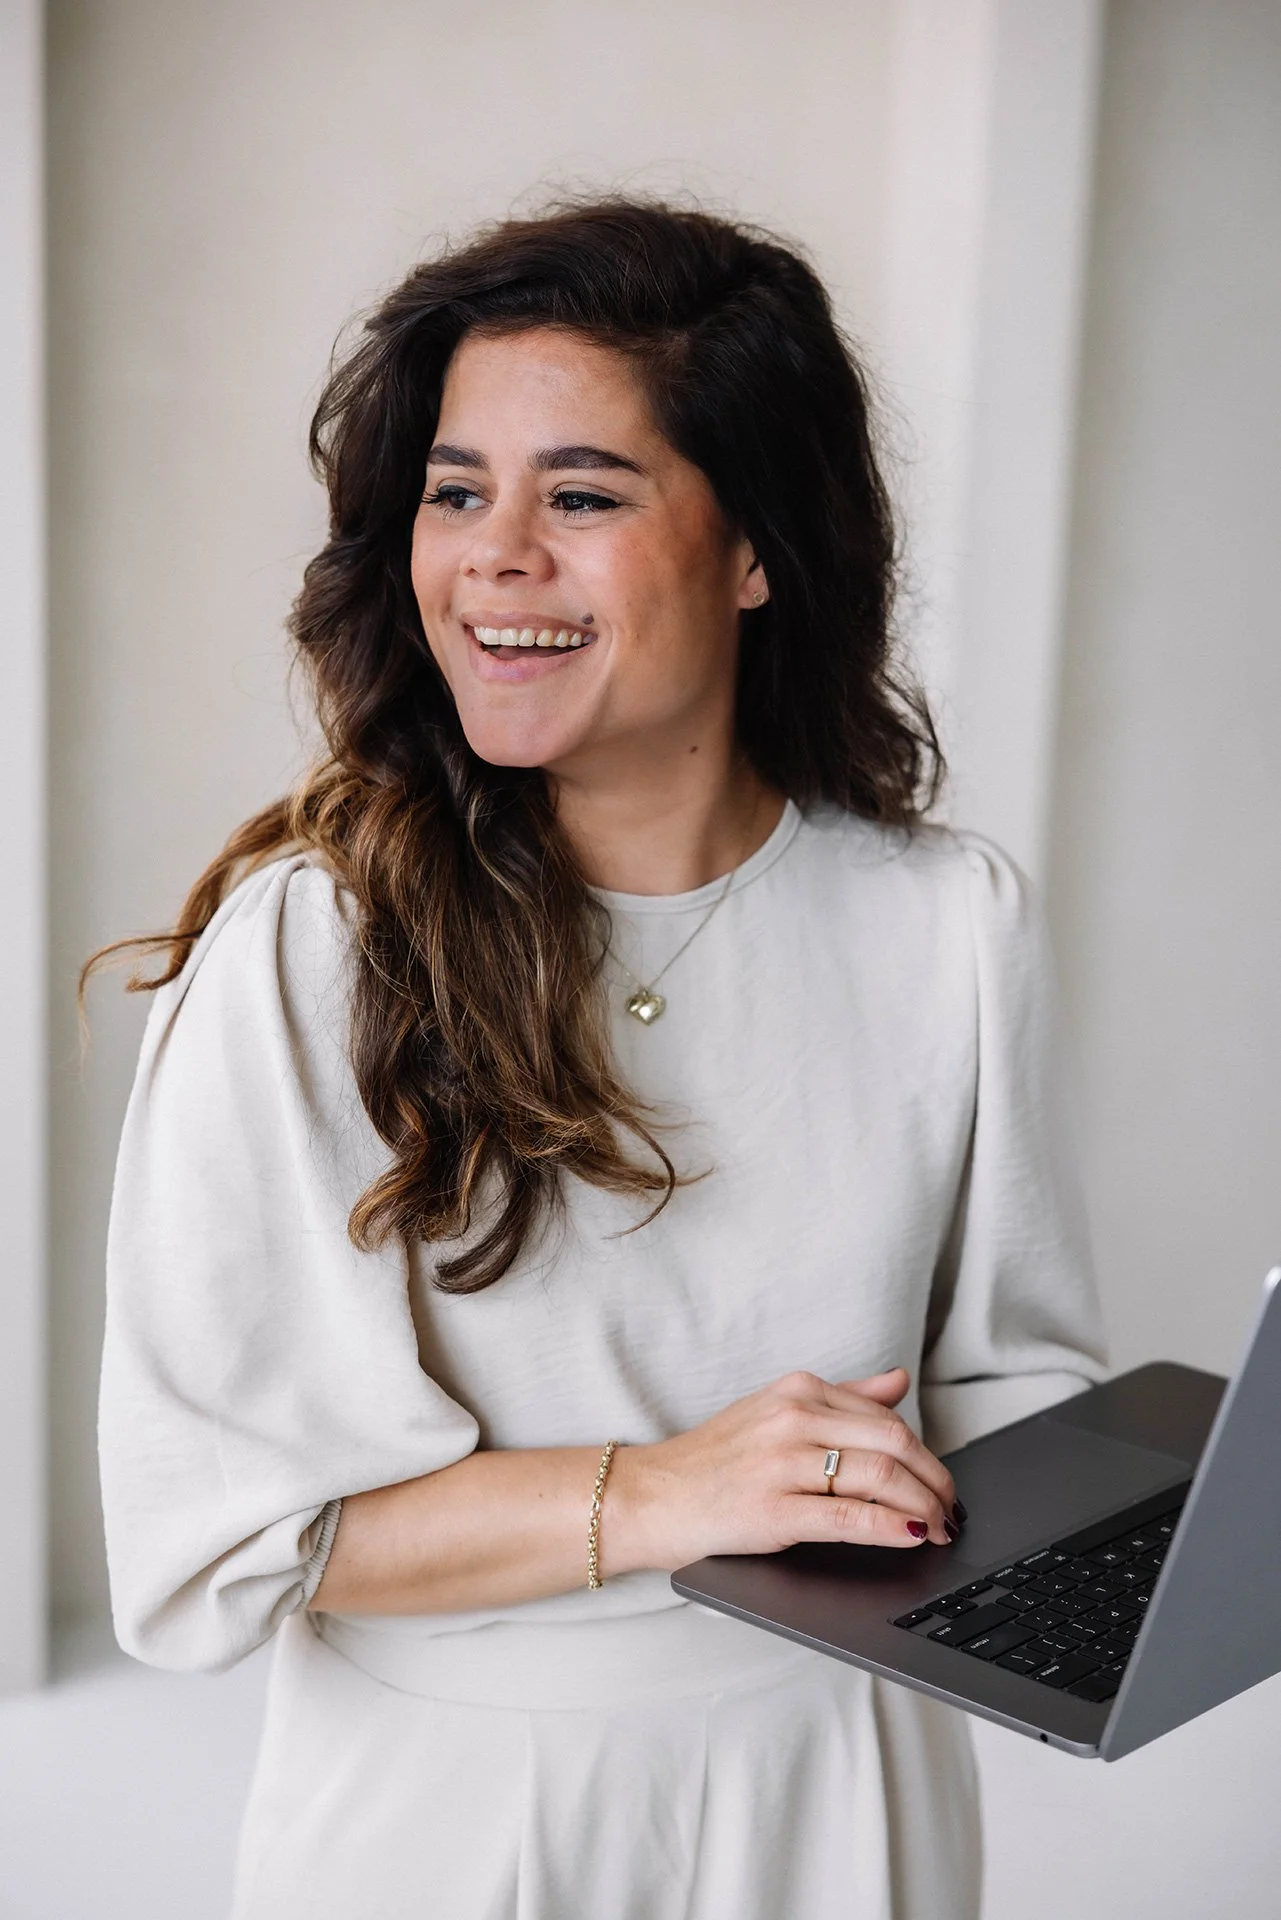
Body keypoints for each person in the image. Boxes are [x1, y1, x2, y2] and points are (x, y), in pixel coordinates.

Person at [92, 198, 1106, 1920]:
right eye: (454, 490)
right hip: (455, 1817)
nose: (494, 554)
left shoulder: (950, 923)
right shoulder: (313, 947)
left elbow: (1015, 1393)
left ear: (755, 548)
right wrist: (668, 1493)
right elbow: (229, 1542)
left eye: (581, 494)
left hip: (844, 1785)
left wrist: (1158, 1543)